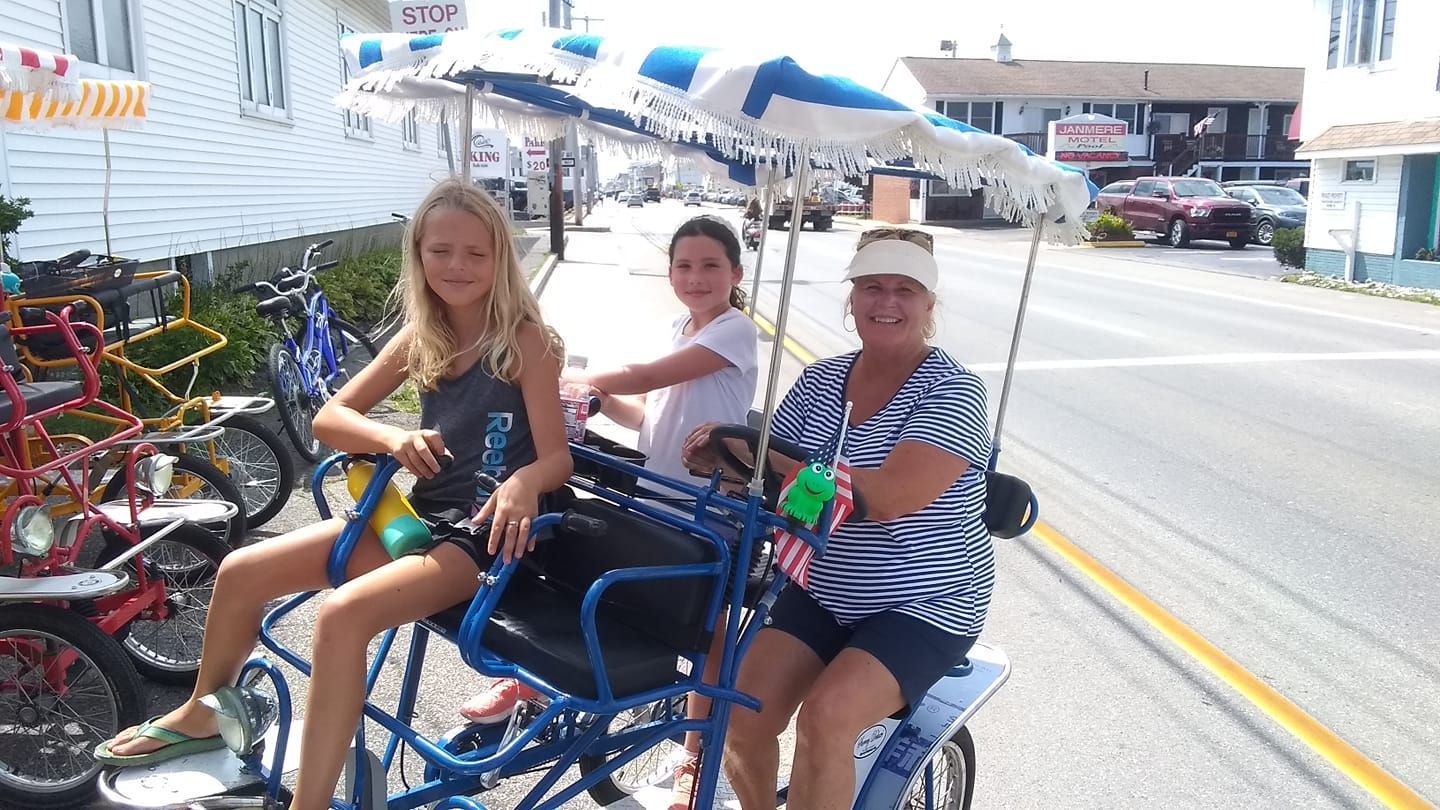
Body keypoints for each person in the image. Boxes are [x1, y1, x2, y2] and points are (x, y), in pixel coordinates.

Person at [94, 179, 574, 810]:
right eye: (441, 251)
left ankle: (310, 803)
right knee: (240, 570)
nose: (457, 266)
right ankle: (200, 713)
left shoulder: (525, 341)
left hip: (485, 539)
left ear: (500, 260)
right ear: (419, 255)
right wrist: (391, 437)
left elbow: (557, 459)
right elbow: (329, 419)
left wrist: (521, 481)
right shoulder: (420, 337)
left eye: (476, 254)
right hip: (420, 520)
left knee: (340, 616)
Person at [680, 228, 995, 809]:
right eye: (871, 287)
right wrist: (723, 459)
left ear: (930, 304)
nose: (886, 302)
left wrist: (761, 455)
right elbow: (767, 467)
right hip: (825, 584)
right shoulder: (823, 378)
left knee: (826, 719)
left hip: (925, 600)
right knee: (739, 715)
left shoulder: (953, 390)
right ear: (852, 299)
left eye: (905, 289)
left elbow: (888, 496)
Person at [458, 214, 759, 809]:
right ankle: (529, 682)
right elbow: (648, 414)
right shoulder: (681, 325)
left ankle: (696, 754)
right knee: (582, 571)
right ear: (670, 273)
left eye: (710, 266)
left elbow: (648, 373)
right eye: (684, 266)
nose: (695, 277)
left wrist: (560, 374)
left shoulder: (735, 331)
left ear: (735, 273)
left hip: (705, 507)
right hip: (651, 492)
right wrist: (594, 400)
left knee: (708, 631)